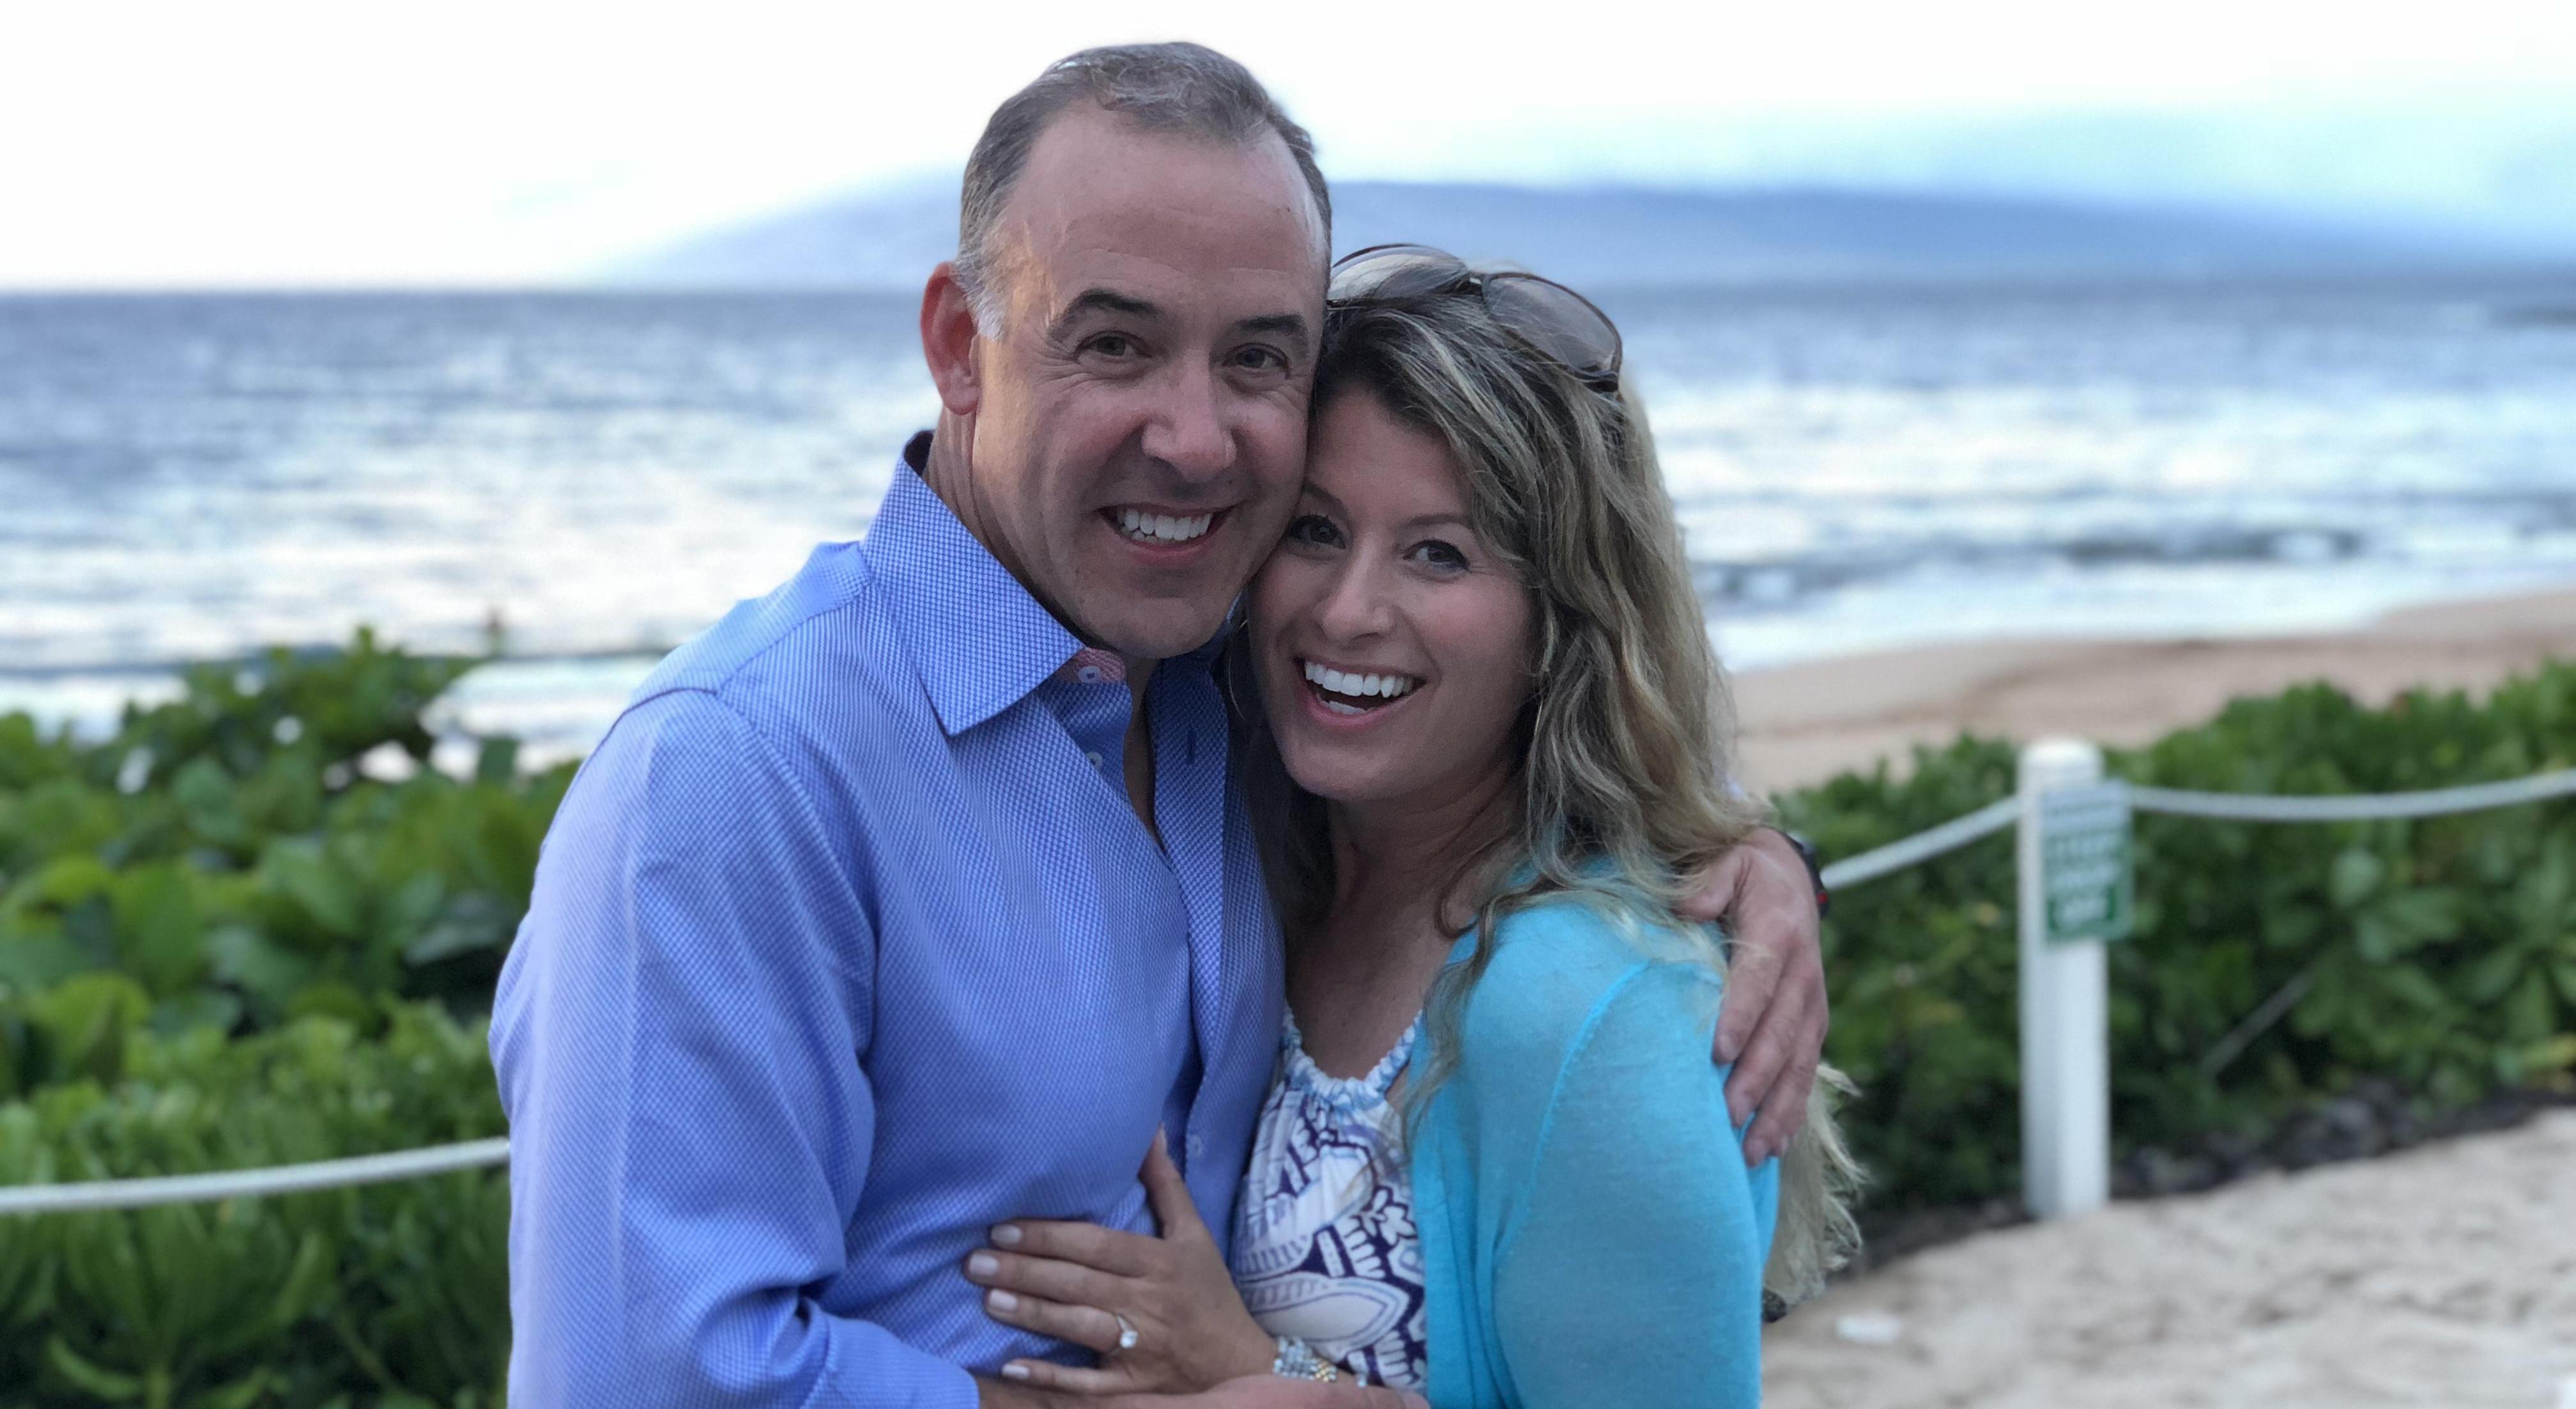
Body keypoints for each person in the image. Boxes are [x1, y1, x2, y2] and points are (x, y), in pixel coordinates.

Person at [488, 43, 1830, 1408]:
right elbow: (635, 1377)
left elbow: (1528, 743)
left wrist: (1749, 866)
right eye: (1115, 344)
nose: (1195, 441)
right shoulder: (731, 774)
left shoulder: (1219, 690)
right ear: (959, 345)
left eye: (1256, 358)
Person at [959, 250, 1860, 1404]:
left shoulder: (1592, 1011)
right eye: (1316, 530)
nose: (1348, 612)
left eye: (1439, 552)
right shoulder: (1241, 840)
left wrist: (1254, 1368)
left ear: (1562, 622)